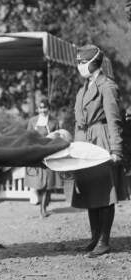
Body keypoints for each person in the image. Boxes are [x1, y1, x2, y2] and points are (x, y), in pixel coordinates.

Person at [72, 44, 129, 257]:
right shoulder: (83, 89)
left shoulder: (107, 86)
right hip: (85, 142)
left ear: (93, 62)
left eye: (82, 62)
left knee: (105, 193)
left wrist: (116, 150)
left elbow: (114, 121)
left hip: (102, 140)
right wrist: (75, 149)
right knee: (90, 193)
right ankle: (94, 238)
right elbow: (78, 123)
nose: (79, 66)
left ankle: (104, 241)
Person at [25, 99, 59, 217]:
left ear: (48, 108)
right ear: (37, 109)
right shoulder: (32, 121)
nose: (43, 110)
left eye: (45, 108)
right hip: (36, 154)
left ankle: (43, 209)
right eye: (40, 108)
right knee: (38, 182)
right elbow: (27, 137)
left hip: (49, 154)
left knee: (48, 183)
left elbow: (59, 137)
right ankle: (42, 205)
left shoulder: (54, 121)